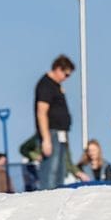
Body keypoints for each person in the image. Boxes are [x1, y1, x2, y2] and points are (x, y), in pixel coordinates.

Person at [34, 55, 75, 190]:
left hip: (61, 134)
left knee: (59, 173)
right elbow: (42, 112)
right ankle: (46, 200)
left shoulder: (56, 86)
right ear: (58, 69)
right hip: (52, 134)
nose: (66, 78)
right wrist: (46, 139)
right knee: (50, 173)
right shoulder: (46, 85)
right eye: (66, 74)